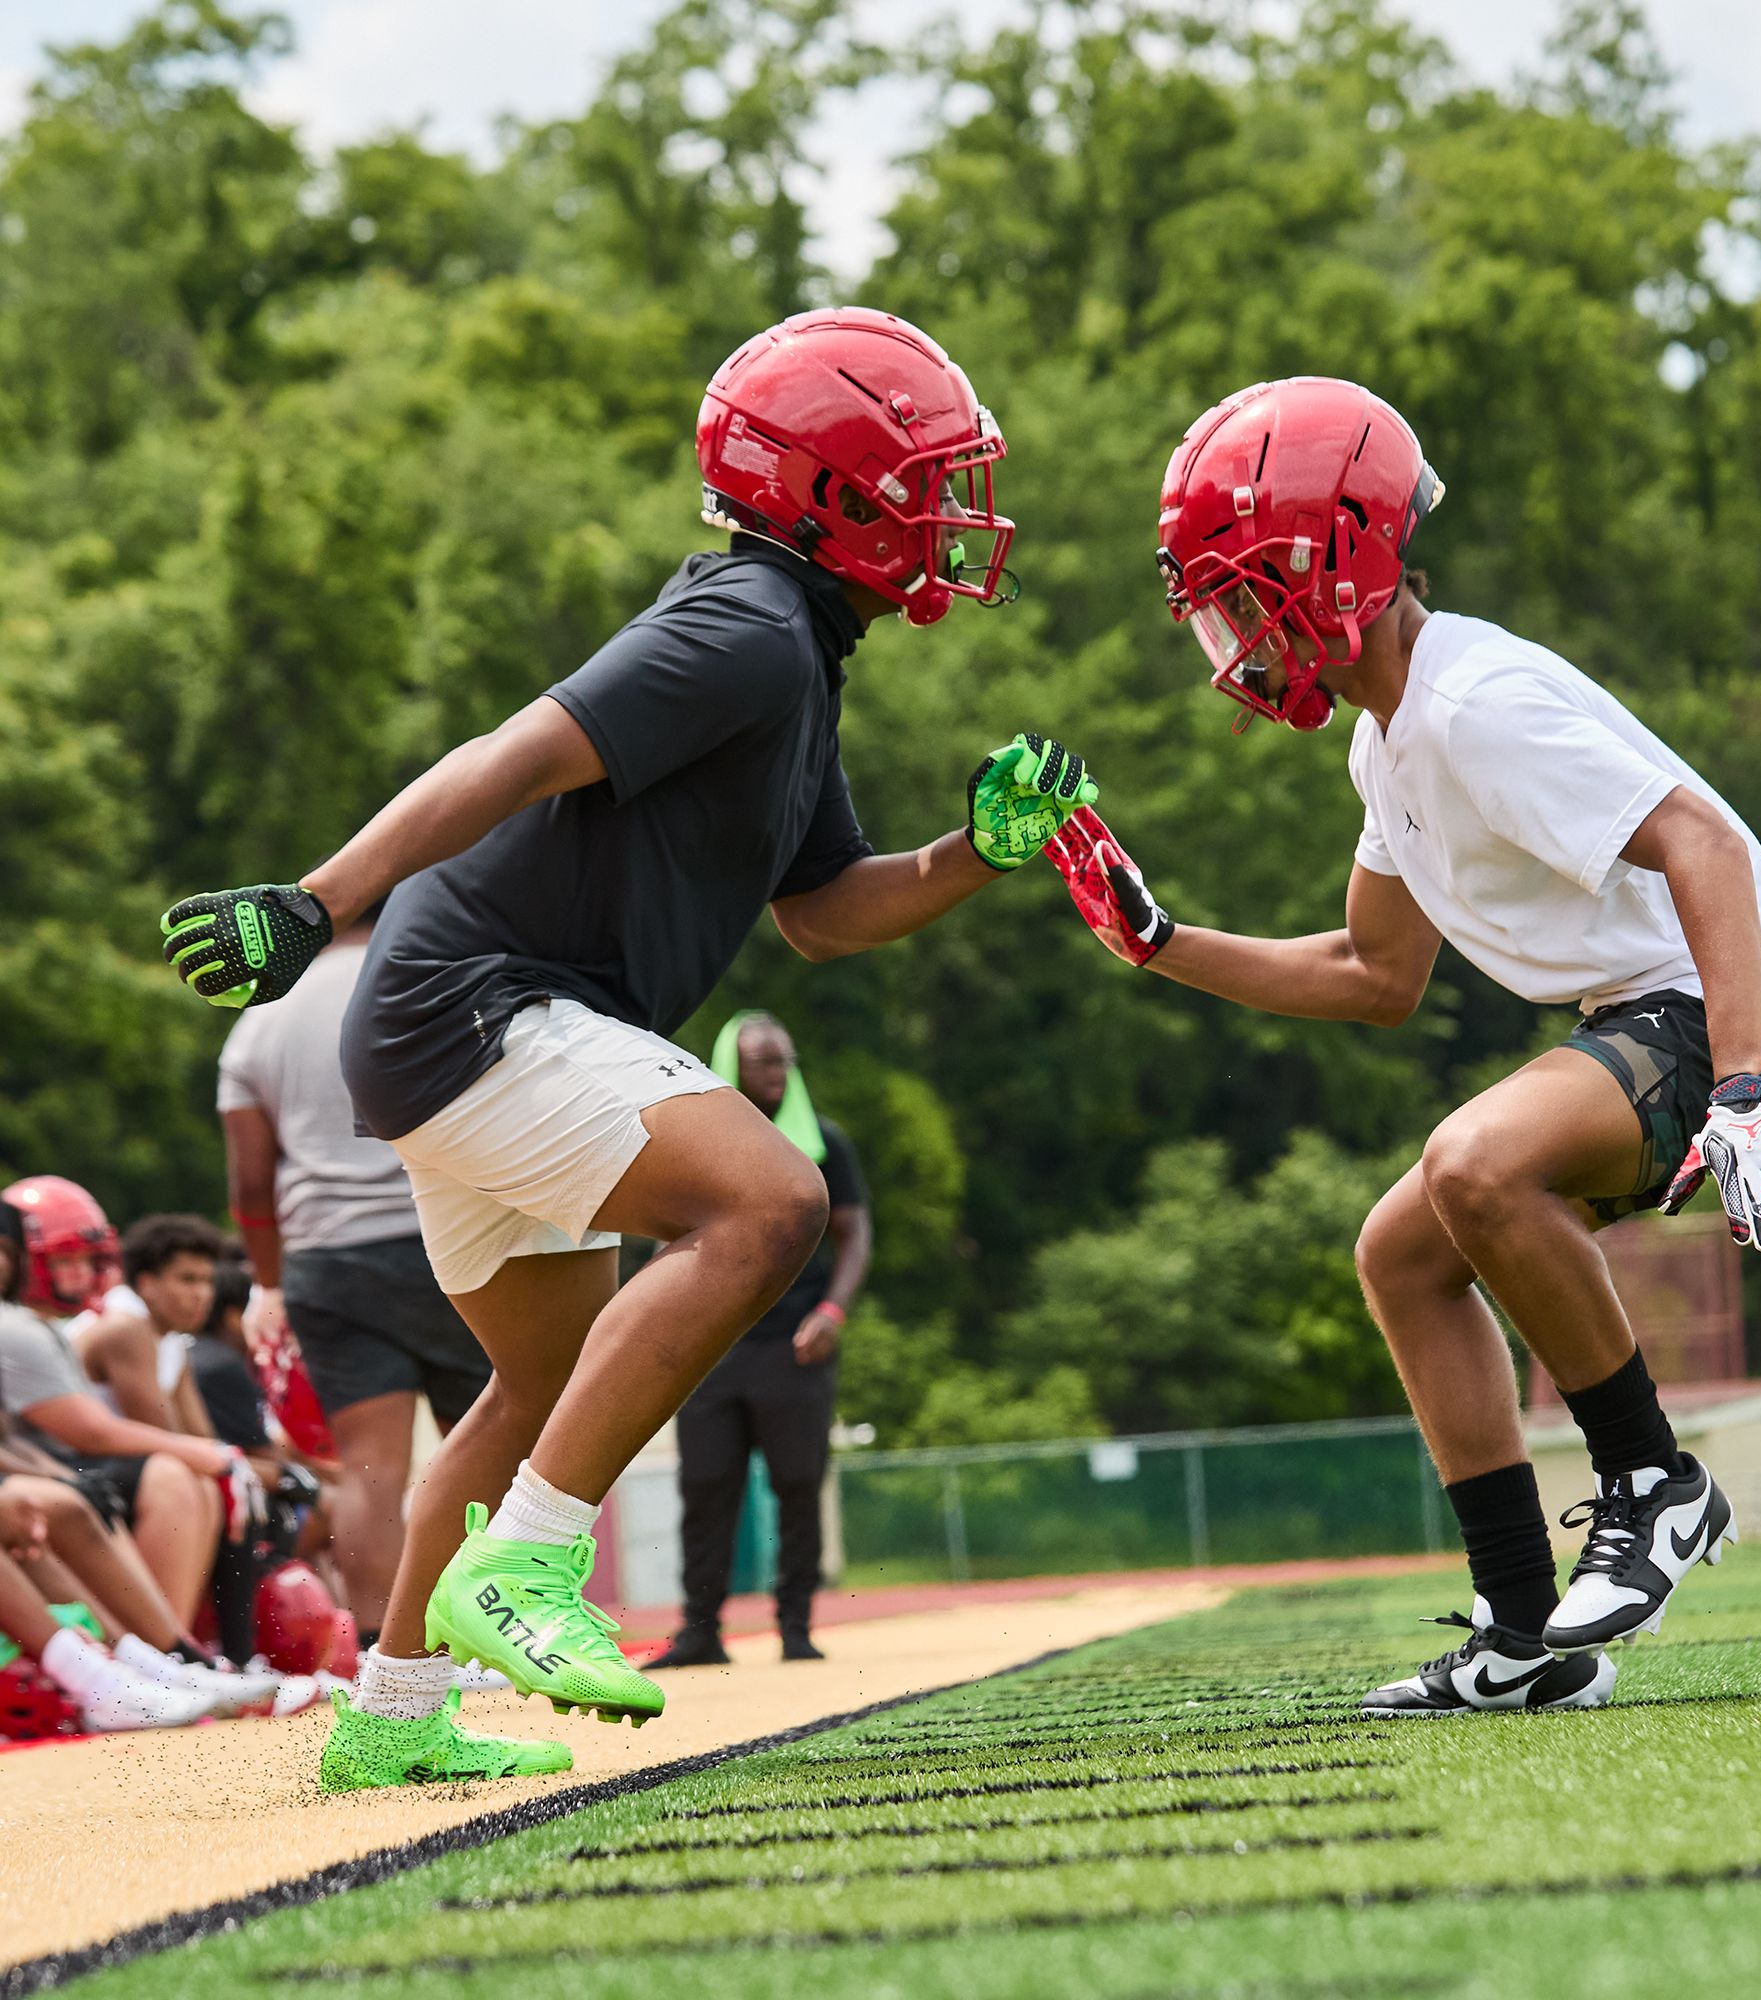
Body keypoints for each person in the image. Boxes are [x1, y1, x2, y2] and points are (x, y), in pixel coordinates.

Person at [159, 306, 1098, 1791]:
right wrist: (315, 898)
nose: (944, 517)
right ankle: (531, 1570)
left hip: (474, 1021)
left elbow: (822, 917)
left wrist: (975, 853)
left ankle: (392, 1715)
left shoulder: (797, 656)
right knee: (771, 1201)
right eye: (919, 483)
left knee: (539, 1388)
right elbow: (514, 754)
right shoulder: (746, 624)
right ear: (827, 492)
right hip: (480, 1002)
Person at [1053, 375, 1761, 1716]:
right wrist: (1162, 941)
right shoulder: (1391, 740)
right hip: (1653, 1009)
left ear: (1331, 565)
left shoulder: (1473, 704)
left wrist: (1750, 1077)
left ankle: (1657, 1486)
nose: (1230, 638)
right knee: (1403, 1251)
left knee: (1474, 1164)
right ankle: (1527, 1634)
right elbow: (1373, 975)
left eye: (1243, 594)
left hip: (1730, 997)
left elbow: (1702, 841)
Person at [216, 895, 491, 1654]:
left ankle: (388, 1653)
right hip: (446, 1237)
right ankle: (502, 1630)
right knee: (492, 1441)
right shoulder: (432, 980)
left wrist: (267, 1284)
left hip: (328, 1263)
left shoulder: (257, 1024)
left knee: (369, 1475)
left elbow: (249, 1185)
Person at [0, 1200, 283, 1719]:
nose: (81, 1275)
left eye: (87, 1259)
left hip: (54, 1470)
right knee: (175, 1475)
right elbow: (95, 1432)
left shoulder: (163, 1337)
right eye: (64, 1260)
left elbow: (192, 1433)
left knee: (194, 1476)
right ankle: (155, 1664)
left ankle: (160, 1663)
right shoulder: (114, 1328)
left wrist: (229, 1459)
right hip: (70, 1465)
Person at [650, 1012, 871, 1669]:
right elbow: (663, 1234)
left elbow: (856, 1231)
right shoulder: (695, 1144)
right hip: (714, 1349)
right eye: (767, 1062)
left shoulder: (823, 1143)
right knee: (707, 1486)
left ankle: (796, 1626)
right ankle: (700, 1633)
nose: (780, 1074)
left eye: (786, 1061)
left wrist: (834, 1311)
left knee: (799, 1484)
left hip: (795, 1348)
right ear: (733, 1067)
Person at [70, 1213, 226, 1435]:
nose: (204, 1294)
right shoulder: (124, 1326)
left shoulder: (172, 1338)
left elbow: (200, 1436)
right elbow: (165, 1438)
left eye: (208, 1281)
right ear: (147, 1284)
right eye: (188, 1280)